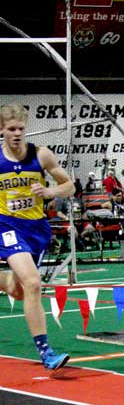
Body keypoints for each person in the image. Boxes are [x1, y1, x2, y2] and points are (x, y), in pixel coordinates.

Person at [0, 103, 74, 370]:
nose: (17, 134)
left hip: (37, 230)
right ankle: (46, 352)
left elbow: (69, 185)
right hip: (7, 227)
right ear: (2, 130)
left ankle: (4, 280)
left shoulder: (41, 155)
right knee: (33, 283)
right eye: (11, 129)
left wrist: (50, 192)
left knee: (18, 290)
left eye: (20, 128)